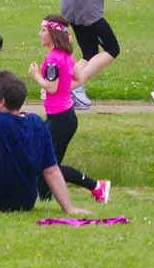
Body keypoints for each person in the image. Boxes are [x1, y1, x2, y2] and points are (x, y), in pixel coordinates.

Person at [0, 70, 90, 216]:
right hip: (25, 202)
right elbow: (51, 170)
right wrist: (70, 208)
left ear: (1, 103)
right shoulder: (37, 123)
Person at [27, 18, 111, 203]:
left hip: (60, 119)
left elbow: (51, 88)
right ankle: (45, 198)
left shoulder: (52, 59)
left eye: (43, 30)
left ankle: (97, 186)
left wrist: (36, 76)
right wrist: (57, 89)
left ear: (53, 34)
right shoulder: (66, 56)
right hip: (64, 117)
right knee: (46, 163)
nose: (39, 34)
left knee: (50, 166)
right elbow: (79, 80)